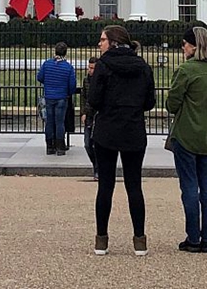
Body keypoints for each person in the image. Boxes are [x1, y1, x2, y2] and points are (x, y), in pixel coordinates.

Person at [89, 26, 156, 256]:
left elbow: (94, 99)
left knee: (105, 187)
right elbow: (150, 102)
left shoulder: (103, 65)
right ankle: (139, 240)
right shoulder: (143, 67)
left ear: (113, 42)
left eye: (103, 40)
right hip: (133, 129)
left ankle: (101, 240)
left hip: (107, 130)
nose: (100, 44)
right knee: (134, 186)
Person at [168, 27, 207, 254]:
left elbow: (172, 104)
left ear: (193, 46)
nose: (183, 48)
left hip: (187, 134)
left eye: (184, 44)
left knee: (189, 186)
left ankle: (193, 237)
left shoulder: (186, 70)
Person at [36, 42, 77, 156]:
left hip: (49, 96)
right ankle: (60, 147)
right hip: (62, 97)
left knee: (49, 121)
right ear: (65, 53)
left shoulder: (47, 64)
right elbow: (72, 85)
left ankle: (50, 146)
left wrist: (49, 83)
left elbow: (40, 77)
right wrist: (68, 92)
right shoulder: (68, 67)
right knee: (60, 122)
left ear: (55, 51)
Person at [80, 57, 99, 180]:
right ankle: (96, 165)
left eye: (92, 68)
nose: (90, 70)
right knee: (87, 144)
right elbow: (83, 97)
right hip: (89, 115)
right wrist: (83, 112)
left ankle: (97, 169)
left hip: (98, 115)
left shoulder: (101, 81)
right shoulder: (86, 80)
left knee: (96, 145)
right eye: (89, 67)